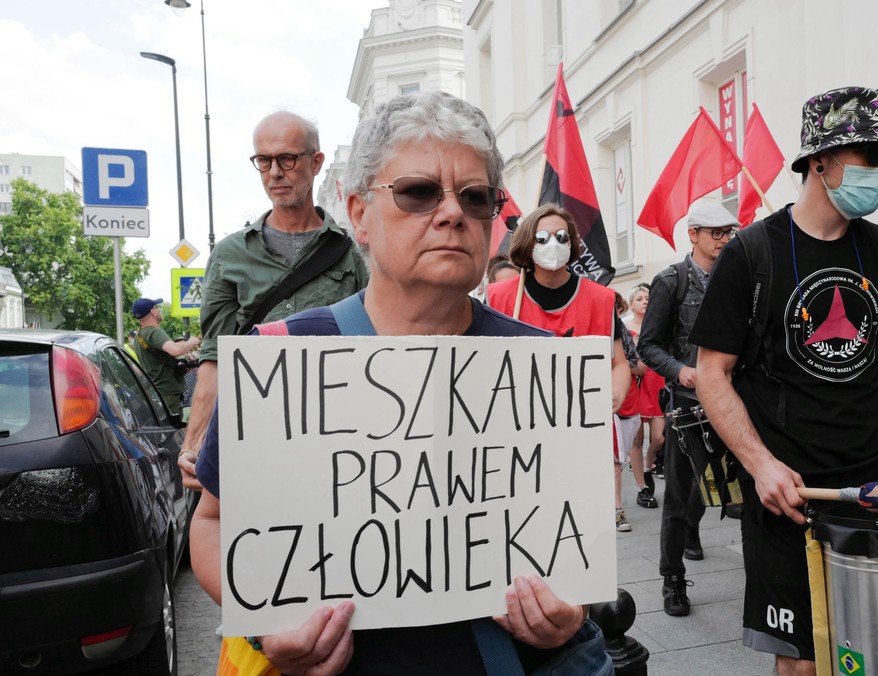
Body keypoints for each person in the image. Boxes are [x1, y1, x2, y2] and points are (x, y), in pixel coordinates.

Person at [192, 90, 611, 674]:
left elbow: (575, 537)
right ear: (360, 214)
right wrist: (268, 624)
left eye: (476, 196)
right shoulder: (281, 358)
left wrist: (569, 611)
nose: (451, 213)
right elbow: (211, 523)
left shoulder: (542, 365)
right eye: (418, 192)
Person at [690, 86, 878, 675]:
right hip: (791, 492)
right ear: (819, 161)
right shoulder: (751, 252)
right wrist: (760, 465)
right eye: (871, 156)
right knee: (801, 662)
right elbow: (712, 374)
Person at [178, 111, 369, 490]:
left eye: (287, 158)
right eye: (263, 161)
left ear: (316, 163)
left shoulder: (354, 252)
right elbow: (216, 357)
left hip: (336, 438)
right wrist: (193, 443)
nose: (274, 172)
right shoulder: (230, 255)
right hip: (251, 431)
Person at [489, 204, 634, 531]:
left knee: (577, 526)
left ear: (572, 243)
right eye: (542, 237)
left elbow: (619, 363)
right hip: (519, 435)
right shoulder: (500, 297)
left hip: (579, 432)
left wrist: (617, 390)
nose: (552, 244)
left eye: (560, 236)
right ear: (528, 243)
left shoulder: (600, 298)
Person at [637, 200, 735, 616]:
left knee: (723, 486)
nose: (725, 240)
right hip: (688, 407)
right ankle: (672, 580)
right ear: (693, 235)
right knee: (678, 496)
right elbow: (648, 345)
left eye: (729, 232)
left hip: (733, 402)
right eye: (716, 233)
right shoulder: (670, 281)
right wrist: (681, 372)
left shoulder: (738, 278)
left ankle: (695, 527)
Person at [624, 283, 666, 495]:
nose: (645, 302)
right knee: (637, 439)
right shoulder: (625, 326)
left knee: (659, 437)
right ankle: (642, 486)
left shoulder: (658, 324)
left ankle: (649, 466)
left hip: (656, 382)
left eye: (647, 298)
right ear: (631, 304)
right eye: (639, 299)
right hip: (636, 384)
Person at [129, 297, 200, 415]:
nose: (159, 310)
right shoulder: (154, 332)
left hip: (157, 393)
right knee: (173, 430)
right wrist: (192, 341)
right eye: (158, 307)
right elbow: (175, 350)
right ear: (153, 311)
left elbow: (153, 363)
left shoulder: (139, 336)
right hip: (168, 394)